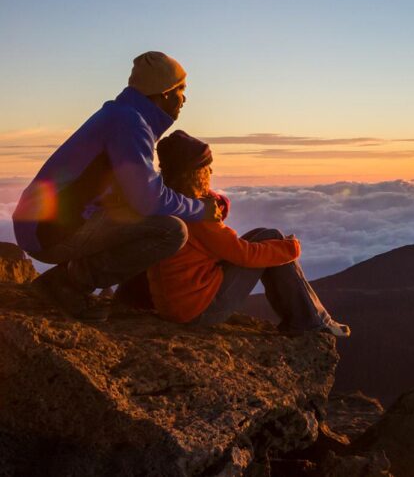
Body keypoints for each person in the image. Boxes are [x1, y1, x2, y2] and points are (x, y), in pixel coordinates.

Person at [13, 52, 220, 321]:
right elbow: (148, 199)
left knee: (143, 215)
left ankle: (79, 282)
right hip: (47, 230)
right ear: (165, 93)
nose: (185, 98)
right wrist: (200, 208)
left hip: (41, 222)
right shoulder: (130, 123)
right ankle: (68, 284)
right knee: (170, 231)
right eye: (181, 89)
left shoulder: (121, 115)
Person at [148, 130, 350, 337]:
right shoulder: (197, 215)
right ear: (195, 173)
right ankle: (311, 322)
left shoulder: (171, 204)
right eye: (206, 166)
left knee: (268, 235)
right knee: (275, 244)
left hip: (177, 305)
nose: (211, 171)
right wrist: (291, 248)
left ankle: (310, 319)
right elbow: (244, 255)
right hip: (198, 310)